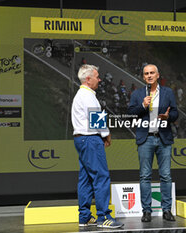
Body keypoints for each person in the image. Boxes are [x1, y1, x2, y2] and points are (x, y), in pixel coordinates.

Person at [71, 64, 124, 229]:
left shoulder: (82, 94)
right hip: (90, 139)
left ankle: (85, 216)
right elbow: (97, 119)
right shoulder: (87, 96)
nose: (99, 79)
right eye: (97, 76)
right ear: (88, 79)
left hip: (82, 139)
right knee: (101, 177)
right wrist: (106, 135)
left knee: (85, 178)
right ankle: (104, 217)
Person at [128, 64, 179, 222]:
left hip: (163, 137)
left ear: (158, 75)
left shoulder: (168, 92)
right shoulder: (137, 94)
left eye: (152, 73)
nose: (149, 75)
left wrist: (167, 117)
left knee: (165, 175)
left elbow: (175, 113)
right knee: (145, 176)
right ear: (143, 77)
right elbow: (130, 113)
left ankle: (167, 210)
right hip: (145, 138)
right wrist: (143, 105)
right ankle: (146, 211)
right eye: (146, 73)